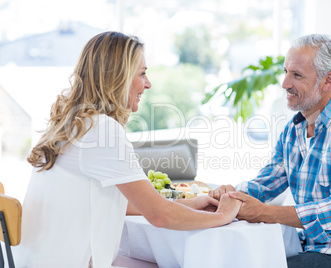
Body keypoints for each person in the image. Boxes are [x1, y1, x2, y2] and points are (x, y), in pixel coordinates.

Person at [14, 31, 241, 268]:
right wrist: (222, 217)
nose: (148, 83)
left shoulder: (73, 124)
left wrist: (192, 204)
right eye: (142, 73)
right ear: (118, 77)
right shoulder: (101, 130)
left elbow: (127, 202)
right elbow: (159, 215)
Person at [209, 34, 331, 268]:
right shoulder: (294, 130)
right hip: (311, 248)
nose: (285, 83)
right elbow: (267, 183)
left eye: (296, 75)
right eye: (286, 72)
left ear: (328, 80)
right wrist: (230, 194)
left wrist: (264, 212)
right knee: (236, 258)